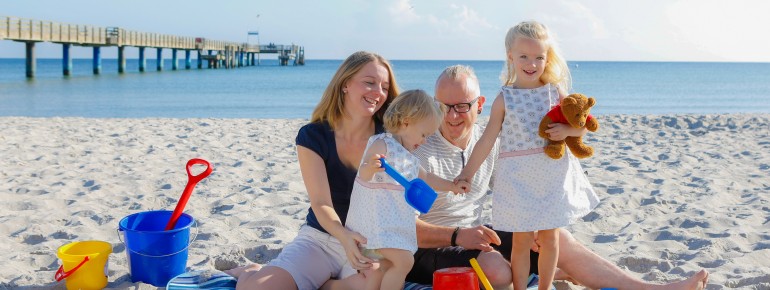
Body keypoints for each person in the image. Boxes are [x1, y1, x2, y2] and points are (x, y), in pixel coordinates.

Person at [410, 64, 710, 289]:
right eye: (443, 106)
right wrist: (456, 235)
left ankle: (647, 288)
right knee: (498, 270)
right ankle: (555, 272)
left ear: (480, 104)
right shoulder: (420, 148)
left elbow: (516, 190)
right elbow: (399, 225)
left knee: (555, 237)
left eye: (462, 106)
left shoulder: (489, 142)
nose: (452, 116)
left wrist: (532, 224)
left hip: (476, 236)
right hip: (426, 249)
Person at [225, 51, 400, 290]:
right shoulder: (314, 136)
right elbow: (321, 203)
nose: (378, 92)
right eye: (369, 82)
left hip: (369, 243)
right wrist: (344, 236)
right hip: (322, 239)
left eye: (384, 87)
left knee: (377, 285)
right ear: (345, 84)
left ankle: (325, 284)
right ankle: (250, 271)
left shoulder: (391, 138)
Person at [453, 21, 600, 289]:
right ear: (510, 56)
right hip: (517, 179)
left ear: (547, 58)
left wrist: (567, 130)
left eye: (538, 58)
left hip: (550, 174)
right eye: (524, 57)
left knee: (549, 238)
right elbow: (487, 140)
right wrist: (467, 173)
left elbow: (582, 125)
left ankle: (543, 287)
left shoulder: (554, 92)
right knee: (521, 240)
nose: (531, 64)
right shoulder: (504, 98)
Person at [345, 89, 469, 290]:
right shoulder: (382, 144)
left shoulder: (409, 158)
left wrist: (451, 186)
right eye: (424, 134)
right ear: (405, 123)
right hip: (372, 225)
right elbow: (363, 174)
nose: (425, 141)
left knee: (384, 268)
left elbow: (426, 178)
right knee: (404, 261)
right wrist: (370, 167)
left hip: (389, 227)